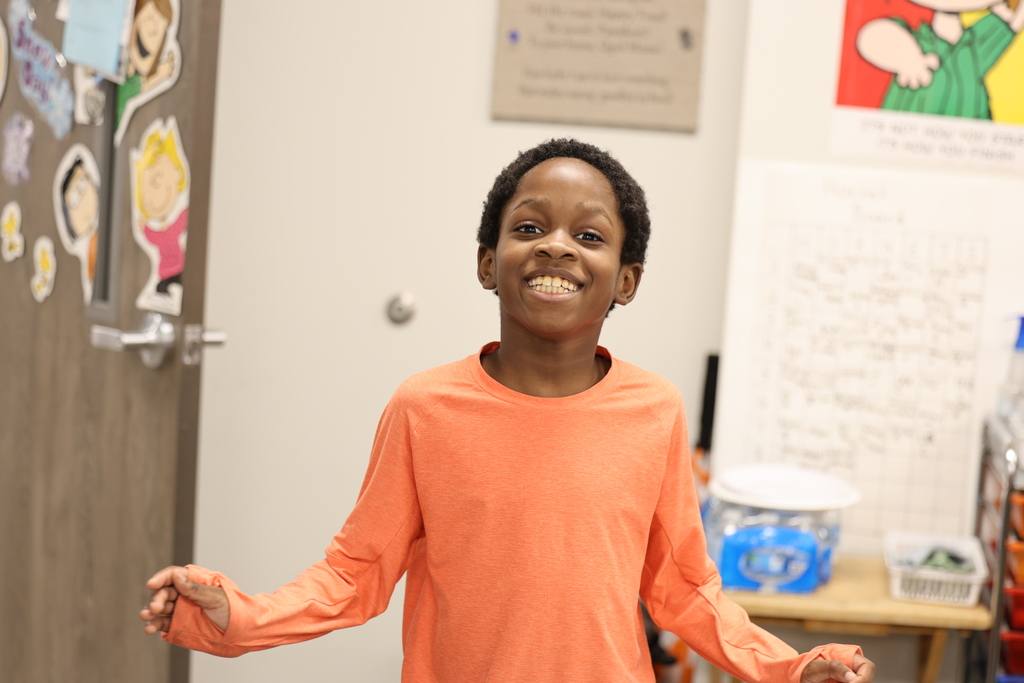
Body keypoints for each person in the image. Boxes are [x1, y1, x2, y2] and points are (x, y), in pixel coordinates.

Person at [141, 139, 876, 683]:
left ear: (626, 279)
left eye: (588, 235)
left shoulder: (656, 410)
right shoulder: (424, 408)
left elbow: (682, 589)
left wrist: (789, 666)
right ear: (488, 262)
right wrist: (237, 614)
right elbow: (354, 574)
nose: (556, 247)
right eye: (529, 228)